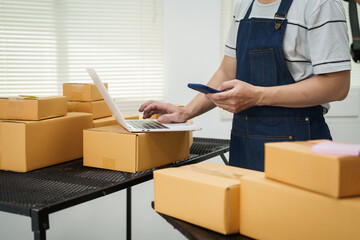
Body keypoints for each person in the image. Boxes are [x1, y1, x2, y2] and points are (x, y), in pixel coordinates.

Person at [139, 0, 351, 171]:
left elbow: (337, 86)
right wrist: (186, 112)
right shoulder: (244, 6)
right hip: (245, 145)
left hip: (301, 145)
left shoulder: (322, 5)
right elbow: (227, 71)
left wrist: (257, 96)